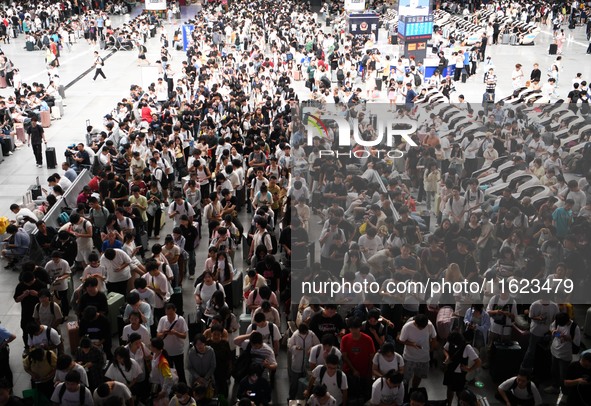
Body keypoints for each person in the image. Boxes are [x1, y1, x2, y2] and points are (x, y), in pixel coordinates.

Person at [398, 314, 437, 389]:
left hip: (424, 358)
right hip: (409, 358)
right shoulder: (407, 327)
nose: (421, 329)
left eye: (423, 327)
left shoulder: (429, 325)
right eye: (419, 327)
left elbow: (434, 337)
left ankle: (414, 389)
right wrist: (412, 344)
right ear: (415, 322)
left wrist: (432, 348)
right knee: (406, 378)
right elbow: (401, 340)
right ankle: (405, 393)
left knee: (419, 376)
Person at [442, 332, 481, 406]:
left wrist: (469, 369)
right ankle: (449, 404)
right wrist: (447, 357)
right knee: (449, 389)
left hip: (459, 374)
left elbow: (478, 362)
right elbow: (444, 349)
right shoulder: (450, 342)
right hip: (449, 370)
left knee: (459, 392)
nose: (451, 344)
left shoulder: (467, 347)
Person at [156, 303, 188, 385]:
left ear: (175, 311)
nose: (169, 316)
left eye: (171, 314)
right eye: (167, 314)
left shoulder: (180, 320)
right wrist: (163, 333)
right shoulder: (163, 319)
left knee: (180, 372)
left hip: (178, 351)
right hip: (166, 352)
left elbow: (184, 336)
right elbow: (158, 335)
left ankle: (183, 388)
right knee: (168, 373)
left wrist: (175, 333)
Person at [288, 323, 320, 400]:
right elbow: (290, 345)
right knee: (294, 383)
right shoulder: (295, 335)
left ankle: (303, 399)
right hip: (297, 361)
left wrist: (312, 348)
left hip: (308, 362)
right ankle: (291, 397)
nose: (304, 333)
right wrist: (296, 348)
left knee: (306, 382)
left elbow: (318, 345)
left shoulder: (311, 334)